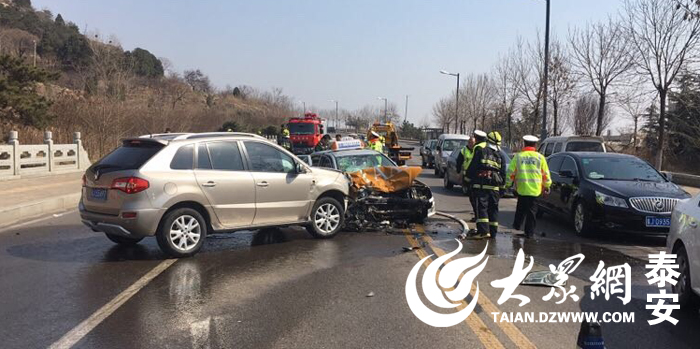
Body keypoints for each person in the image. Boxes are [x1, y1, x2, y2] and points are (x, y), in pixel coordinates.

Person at [506, 135, 552, 239]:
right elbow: (545, 174)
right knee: (532, 212)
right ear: (535, 145)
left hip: (522, 188)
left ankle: (517, 225)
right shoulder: (540, 158)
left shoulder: (518, 156)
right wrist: (547, 186)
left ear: (524, 143)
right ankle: (529, 232)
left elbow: (511, 172)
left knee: (521, 208)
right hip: (535, 190)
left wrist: (508, 184)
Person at [465, 131, 506, 239]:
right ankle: (493, 232)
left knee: (482, 209)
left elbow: (473, 167)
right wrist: (502, 189)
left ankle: (483, 232)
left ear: (488, 141)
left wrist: (467, 180)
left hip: (481, 187)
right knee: (493, 210)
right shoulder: (501, 155)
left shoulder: (481, 151)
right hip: (495, 189)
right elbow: (503, 173)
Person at [456, 130, 487, 222]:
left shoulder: (478, 150)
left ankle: (478, 216)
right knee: (472, 197)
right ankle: (477, 214)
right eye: (469, 142)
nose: (471, 144)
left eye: (472, 142)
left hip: (477, 176)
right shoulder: (464, 150)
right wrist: (459, 173)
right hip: (467, 175)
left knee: (477, 197)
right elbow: (459, 162)